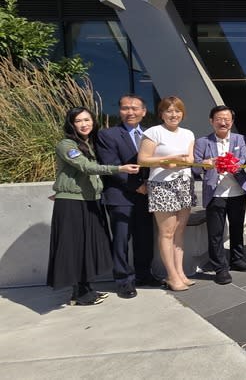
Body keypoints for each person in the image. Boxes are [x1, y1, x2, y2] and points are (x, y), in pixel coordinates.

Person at [49, 107, 139, 305]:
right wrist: (119, 168)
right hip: (73, 203)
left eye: (87, 120)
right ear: (71, 124)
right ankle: (80, 294)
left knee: (87, 247)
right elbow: (86, 167)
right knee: (75, 247)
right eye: (79, 121)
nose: (84, 124)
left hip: (89, 200)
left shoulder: (87, 144)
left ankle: (85, 289)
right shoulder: (67, 145)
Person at [96, 95, 155, 300]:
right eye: (125, 108)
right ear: (120, 111)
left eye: (135, 108)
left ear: (144, 111)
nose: (130, 112)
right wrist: (137, 186)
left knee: (145, 238)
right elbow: (111, 165)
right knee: (121, 240)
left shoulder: (150, 134)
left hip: (147, 196)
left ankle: (144, 275)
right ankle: (123, 281)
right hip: (120, 196)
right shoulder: (108, 135)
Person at [138, 96, 196, 291]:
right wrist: (166, 161)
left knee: (179, 231)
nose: (174, 114)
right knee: (167, 232)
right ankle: (171, 276)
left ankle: (180, 273)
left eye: (177, 111)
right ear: (161, 113)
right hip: (163, 186)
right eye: (169, 111)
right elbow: (143, 160)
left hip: (184, 183)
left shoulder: (188, 133)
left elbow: (190, 160)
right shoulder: (154, 132)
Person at [193, 106, 246, 285]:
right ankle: (220, 268)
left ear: (232, 122)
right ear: (211, 121)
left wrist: (237, 164)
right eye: (219, 118)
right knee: (216, 233)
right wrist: (204, 164)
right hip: (215, 193)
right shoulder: (203, 142)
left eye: (227, 119)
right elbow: (195, 167)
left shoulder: (240, 139)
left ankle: (237, 259)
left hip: (237, 191)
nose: (223, 122)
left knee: (236, 229)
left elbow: (244, 159)